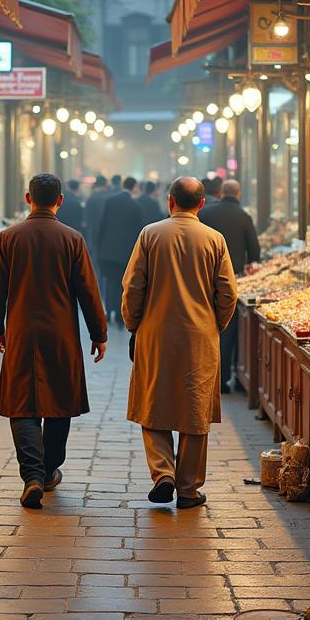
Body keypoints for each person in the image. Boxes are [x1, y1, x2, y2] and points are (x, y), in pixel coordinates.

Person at [0, 173, 107, 509]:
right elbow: (88, 290)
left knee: (21, 404)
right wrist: (99, 334)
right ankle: (50, 467)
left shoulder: (9, 237)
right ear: (60, 201)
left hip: (23, 332)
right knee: (59, 401)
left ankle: (33, 477)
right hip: (61, 334)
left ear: (28, 198)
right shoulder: (72, 238)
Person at [122, 176, 238, 509]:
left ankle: (163, 474)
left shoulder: (150, 234)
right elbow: (228, 292)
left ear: (170, 201)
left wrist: (133, 325)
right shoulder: (215, 239)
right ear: (202, 204)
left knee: (152, 402)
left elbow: (133, 287)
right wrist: (216, 324)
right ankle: (188, 488)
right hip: (200, 335)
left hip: (155, 333)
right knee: (195, 407)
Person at [199, 179, 261, 391]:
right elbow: (254, 252)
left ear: (220, 193)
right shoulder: (243, 216)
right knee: (226, 331)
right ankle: (223, 377)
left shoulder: (205, 213)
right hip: (230, 279)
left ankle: (201, 374)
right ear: (239, 194)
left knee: (202, 328)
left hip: (202, 279)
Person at [96, 176, 143, 328]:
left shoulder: (110, 201)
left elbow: (101, 224)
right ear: (134, 187)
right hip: (125, 252)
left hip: (107, 249)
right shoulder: (135, 206)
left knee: (109, 281)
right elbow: (138, 232)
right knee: (122, 284)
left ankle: (108, 312)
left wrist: (99, 247)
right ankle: (118, 314)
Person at [83, 175, 112, 274]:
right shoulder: (110, 196)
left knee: (95, 263)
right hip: (107, 233)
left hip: (94, 232)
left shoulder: (92, 197)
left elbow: (87, 217)